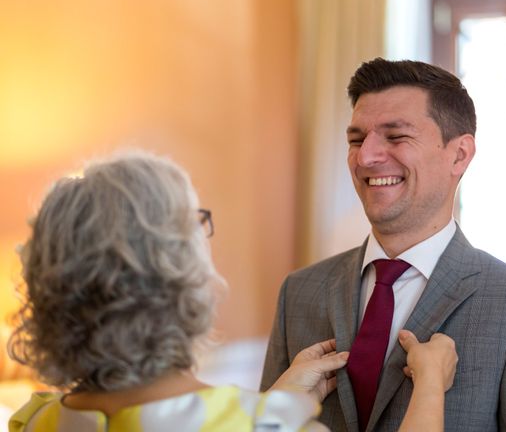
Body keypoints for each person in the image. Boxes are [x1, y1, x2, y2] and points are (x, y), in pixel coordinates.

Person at [7, 149, 457, 432]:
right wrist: (431, 388)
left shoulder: (33, 419)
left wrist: (276, 404)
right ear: (176, 267)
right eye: (197, 222)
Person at [261, 58, 506, 431]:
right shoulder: (298, 293)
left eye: (396, 136)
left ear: (459, 155)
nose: (366, 157)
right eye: (356, 139)